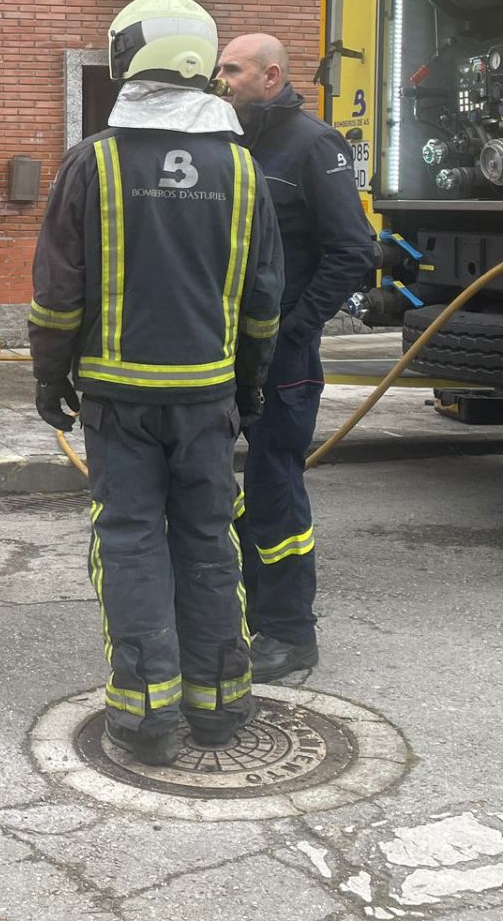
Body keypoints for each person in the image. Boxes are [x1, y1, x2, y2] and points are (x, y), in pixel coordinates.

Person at [30, 0, 284, 767]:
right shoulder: (242, 170)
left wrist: (49, 381)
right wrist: (248, 388)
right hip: (207, 397)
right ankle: (220, 705)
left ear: (125, 57)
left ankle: (143, 718)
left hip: (118, 399)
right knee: (208, 539)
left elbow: (57, 290)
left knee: (132, 542)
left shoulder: (94, 162)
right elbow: (262, 298)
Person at [215, 34, 375, 681]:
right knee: (228, 492)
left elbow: (354, 252)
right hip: (230, 352)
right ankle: (249, 616)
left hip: (283, 359)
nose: (221, 78)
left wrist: (292, 329)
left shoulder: (314, 146)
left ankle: (290, 634)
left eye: (233, 68)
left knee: (275, 486)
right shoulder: (234, 143)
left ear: (270, 75)